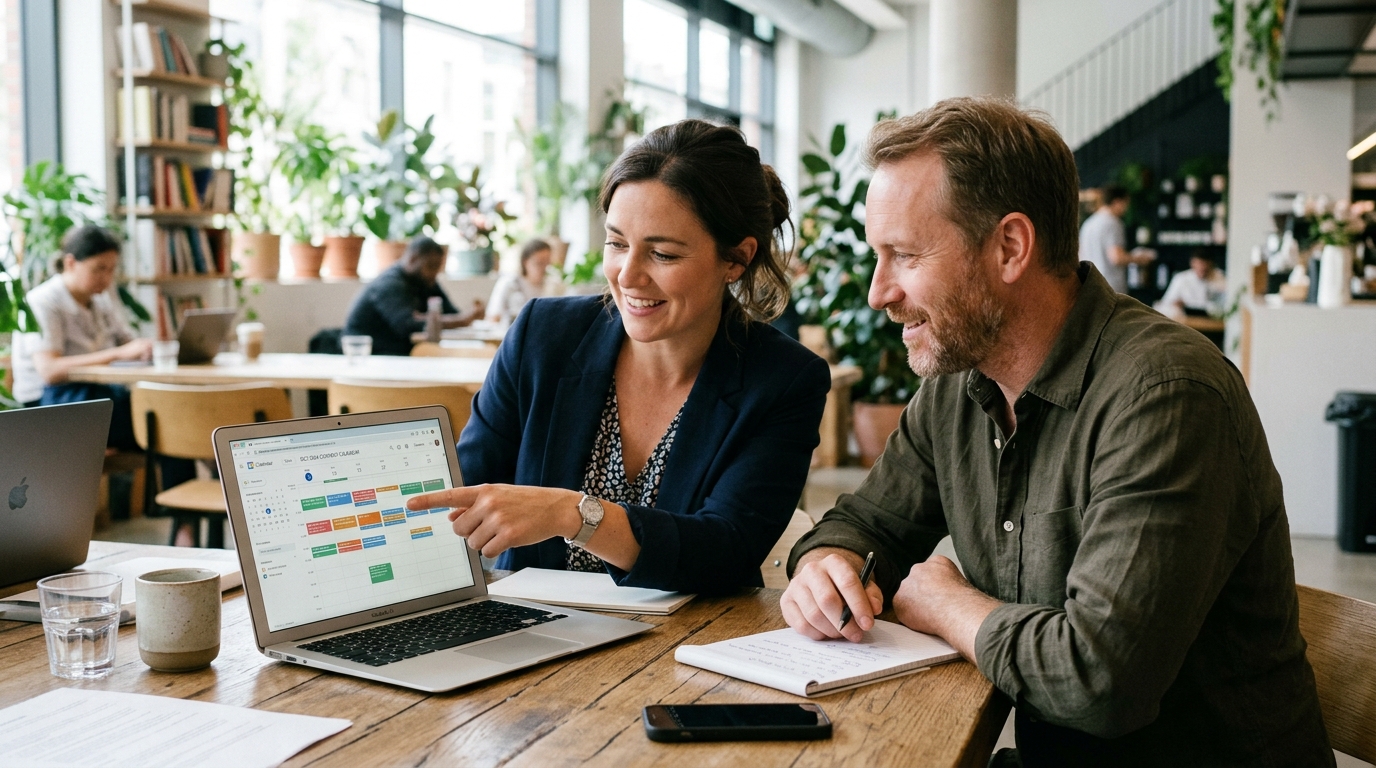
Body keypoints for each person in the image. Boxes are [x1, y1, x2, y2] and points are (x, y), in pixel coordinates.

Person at [780, 99, 1332, 766]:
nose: (878, 293)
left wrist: (950, 604)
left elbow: (1101, 683)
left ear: (1010, 247)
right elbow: (868, 524)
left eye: (903, 255)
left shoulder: (1167, 394)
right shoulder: (957, 386)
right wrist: (825, 565)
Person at [405, 120, 831, 595]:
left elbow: (727, 550)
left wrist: (574, 514)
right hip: (529, 630)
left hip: (680, 647)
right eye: (616, 243)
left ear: (736, 259)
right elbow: (465, 494)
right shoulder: (543, 335)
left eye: (663, 254)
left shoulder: (786, 380)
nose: (627, 276)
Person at [12, 225, 198, 544]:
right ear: (71, 263)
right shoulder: (44, 301)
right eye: (99, 269)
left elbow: (126, 342)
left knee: (172, 421)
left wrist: (147, 347)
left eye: (111, 269)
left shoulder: (100, 302)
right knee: (169, 424)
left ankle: (184, 526)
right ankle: (185, 527)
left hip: (94, 400)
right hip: (50, 408)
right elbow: (50, 370)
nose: (106, 278)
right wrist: (118, 353)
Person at [343, 236, 483, 356]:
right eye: (431, 266)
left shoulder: (426, 281)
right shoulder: (390, 283)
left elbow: (451, 312)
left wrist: (466, 316)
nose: (434, 273)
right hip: (373, 357)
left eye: (438, 267)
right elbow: (408, 324)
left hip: (399, 357)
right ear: (413, 258)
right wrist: (463, 320)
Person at [1078, 184, 1154, 293]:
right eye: (1126, 203)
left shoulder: (1088, 223)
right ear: (1117, 202)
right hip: (1110, 286)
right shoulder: (1113, 223)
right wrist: (1140, 259)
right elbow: (1116, 257)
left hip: (1089, 285)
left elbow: (1080, 255)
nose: (1126, 208)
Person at [485, 239, 551, 326]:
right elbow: (492, 317)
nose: (544, 268)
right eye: (539, 263)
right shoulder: (509, 283)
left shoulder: (553, 284)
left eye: (547, 263)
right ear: (525, 261)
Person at [1157, 249, 1227, 317]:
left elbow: (1226, 305)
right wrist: (1176, 305)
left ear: (1210, 264)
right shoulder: (1181, 278)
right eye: (1199, 263)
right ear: (1192, 263)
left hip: (1212, 320)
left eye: (1204, 264)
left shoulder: (1219, 277)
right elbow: (1165, 303)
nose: (1201, 267)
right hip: (1186, 320)